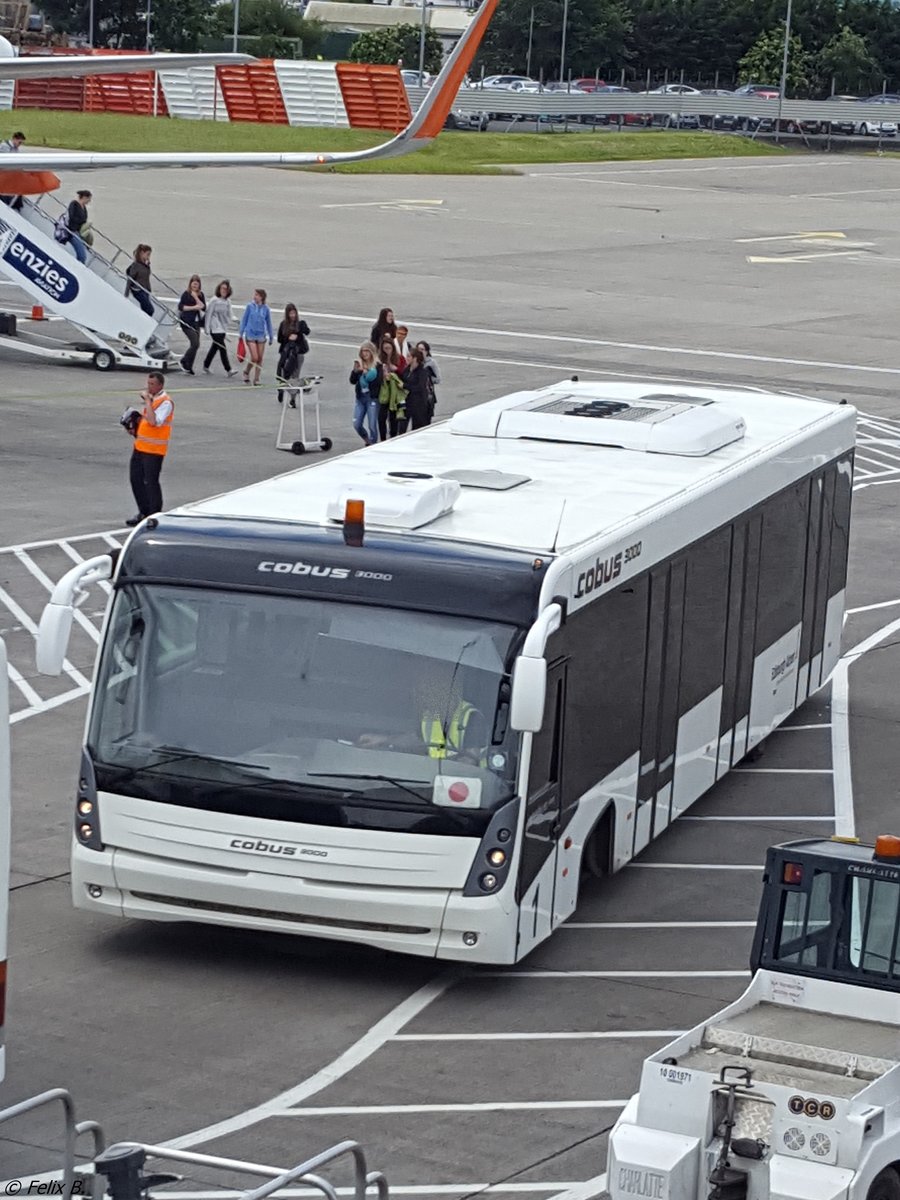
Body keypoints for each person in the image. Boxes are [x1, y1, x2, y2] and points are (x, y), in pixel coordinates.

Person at [358, 669, 488, 763]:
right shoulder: (431, 717)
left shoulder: (471, 717)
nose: (423, 697)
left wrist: (436, 767)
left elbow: (470, 761)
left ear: (446, 690)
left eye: (428, 691)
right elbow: (417, 739)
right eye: (421, 692)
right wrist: (384, 739)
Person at [125, 371, 173, 526]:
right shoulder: (153, 401)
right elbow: (146, 422)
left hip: (154, 450)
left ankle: (154, 515)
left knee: (151, 482)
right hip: (140, 446)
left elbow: (153, 421)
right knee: (136, 479)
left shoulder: (165, 402)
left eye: (152, 384)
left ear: (160, 385)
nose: (149, 387)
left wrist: (147, 401)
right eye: (148, 384)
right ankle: (143, 511)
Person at [276, 303, 311, 407]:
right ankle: (282, 388)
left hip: (298, 354)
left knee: (295, 376)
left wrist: (299, 332)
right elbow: (279, 339)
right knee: (284, 374)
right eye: (290, 313)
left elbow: (307, 332)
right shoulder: (283, 325)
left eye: (294, 313)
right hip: (286, 354)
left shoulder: (300, 324)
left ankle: (292, 399)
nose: (292, 315)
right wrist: (288, 338)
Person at [203, 280, 238, 377]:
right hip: (214, 328)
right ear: (219, 289)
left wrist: (235, 319)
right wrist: (207, 328)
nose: (224, 291)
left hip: (222, 328)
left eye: (226, 289)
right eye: (222, 288)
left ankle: (206, 365)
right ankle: (228, 369)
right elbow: (208, 314)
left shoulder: (228, 301)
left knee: (215, 347)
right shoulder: (214, 300)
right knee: (222, 348)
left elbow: (230, 314)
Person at [239, 288, 274, 386]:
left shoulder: (266, 309)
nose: (255, 297)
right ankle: (246, 371)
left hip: (261, 334)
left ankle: (257, 378)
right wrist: (241, 333)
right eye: (255, 295)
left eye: (257, 295)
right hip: (250, 334)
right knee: (254, 357)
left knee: (260, 358)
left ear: (262, 297)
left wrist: (271, 336)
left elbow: (268, 323)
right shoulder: (250, 306)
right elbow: (244, 319)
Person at [350, 342, 382, 446]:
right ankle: (366, 439)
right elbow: (352, 381)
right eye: (363, 351)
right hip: (361, 398)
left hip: (372, 398)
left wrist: (367, 373)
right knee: (357, 424)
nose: (365, 353)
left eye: (367, 351)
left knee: (372, 424)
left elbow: (378, 382)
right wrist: (356, 371)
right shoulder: (359, 364)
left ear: (372, 352)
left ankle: (373, 443)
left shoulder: (377, 366)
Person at [377, 338, 407, 441]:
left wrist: (395, 369)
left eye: (389, 348)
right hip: (384, 391)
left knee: (393, 418)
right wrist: (383, 373)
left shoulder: (400, 358)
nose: (387, 351)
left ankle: (393, 438)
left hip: (395, 392)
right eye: (385, 349)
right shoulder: (379, 359)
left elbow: (404, 374)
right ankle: (383, 438)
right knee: (381, 417)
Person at [177, 274, 206, 375]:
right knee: (195, 343)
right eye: (193, 284)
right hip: (187, 322)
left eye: (196, 284)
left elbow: (203, 307)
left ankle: (189, 366)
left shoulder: (201, 295)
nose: (195, 286)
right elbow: (181, 307)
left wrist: (196, 297)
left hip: (196, 322)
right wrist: (194, 307)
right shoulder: (186, 294)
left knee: (196, 345)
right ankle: (184, 360)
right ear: (190, 284)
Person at [402, 347, 436, 430]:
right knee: (402, 426)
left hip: (418, 403)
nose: (407, 358)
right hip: (407, 402)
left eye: (409, 356)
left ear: (415, 358)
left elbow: (420, 387)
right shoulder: (407, 370)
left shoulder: (422, 371)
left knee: (417, 427)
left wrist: (405, 386)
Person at [126, 244, 155, 318]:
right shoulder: (136, 265)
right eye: (148, 254)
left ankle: (143, 322)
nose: (149, 257)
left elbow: (146, 276)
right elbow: (130, 278)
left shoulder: (145, 265)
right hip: (138, 290)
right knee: (150, 309)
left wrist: (147, 265)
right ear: (142, 253)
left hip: (145, 289)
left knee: (146, 309)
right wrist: (127, 292)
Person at [66, 189, 92, 264]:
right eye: (89, 199)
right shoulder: (74, 204)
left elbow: (84, 219)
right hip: (72, 231)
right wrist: (81, 222)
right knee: (82, 256)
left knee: (84, 250)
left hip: (78, 231)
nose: (89, 201)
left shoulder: (84, 208)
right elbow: (72, 217)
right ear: (84, 197)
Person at [0, 131, 25, 210]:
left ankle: (16, 205)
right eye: (19, 142)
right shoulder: (4, 146)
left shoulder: (16, 149)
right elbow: (6, 161)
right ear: (14, 139)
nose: (20, 144)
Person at [417, 340, 441, 417]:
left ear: (426, 351)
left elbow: (438, 379)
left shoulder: (431, 363)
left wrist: (427, 378)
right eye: (418, 349)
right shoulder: (415, 361)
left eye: (422, 349)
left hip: (428, 395)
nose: (420, 351)